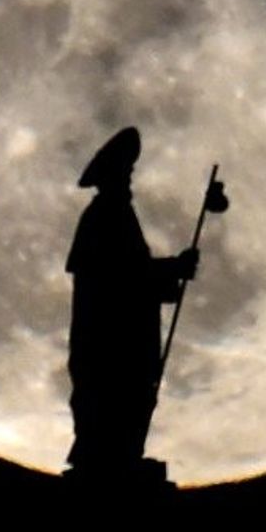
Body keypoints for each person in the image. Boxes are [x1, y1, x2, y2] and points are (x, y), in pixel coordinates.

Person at [65, 126, 198, 477]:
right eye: (126, 171)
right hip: (110, 344)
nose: (131, 178)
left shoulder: (116, 215)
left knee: (127, 408)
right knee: (114, 403)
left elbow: (131, 273)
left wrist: (171, 271)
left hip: (118, 342)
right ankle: (108, 459)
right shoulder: (105, 217)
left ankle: (117, 456)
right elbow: (121, 277)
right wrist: (174, 268)